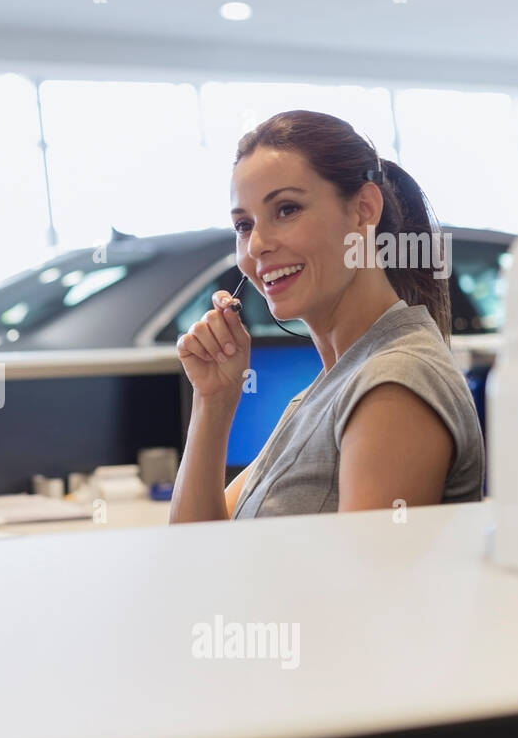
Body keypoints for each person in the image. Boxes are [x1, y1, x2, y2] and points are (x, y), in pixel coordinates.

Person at [168, 110, 485, 522]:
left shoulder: (394, 384)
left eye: (286, 209)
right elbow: (195, 554)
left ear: (363, 210)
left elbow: (369, 584)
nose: (258, 245)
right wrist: (212, 402)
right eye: (244, 225)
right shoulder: (329, 389)